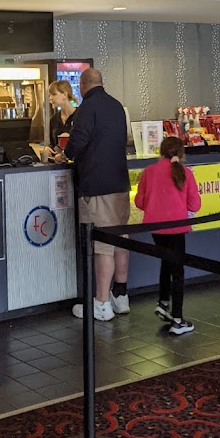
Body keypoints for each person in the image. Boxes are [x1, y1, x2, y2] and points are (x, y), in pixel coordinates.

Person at [54, 67, 130, 322]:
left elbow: (79, 140)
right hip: (120, 183)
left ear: (83, 85)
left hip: (96, 185)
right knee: (121, 239)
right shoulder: (117, 105)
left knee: (102, 247)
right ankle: (121, 296)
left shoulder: (87, 107)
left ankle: (101, 303)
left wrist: (64, 155)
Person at [134, 136, 201, 336]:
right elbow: (195, 205)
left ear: (160, 152)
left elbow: (139, 202)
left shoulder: (148, 172)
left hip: (156, 227)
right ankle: (178, 320)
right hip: (177, 227)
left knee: (166, 261)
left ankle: (163, 302)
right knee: (178, 270)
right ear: (181, 153)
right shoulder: (186, 173)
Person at [48, 79, 78, 148]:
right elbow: (53, 143)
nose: (50, 98)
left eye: (54, 94)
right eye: (50, 95)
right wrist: (48, 148)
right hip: (57, 155)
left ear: (64, 94)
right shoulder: (54, 119)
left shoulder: (80, 116)